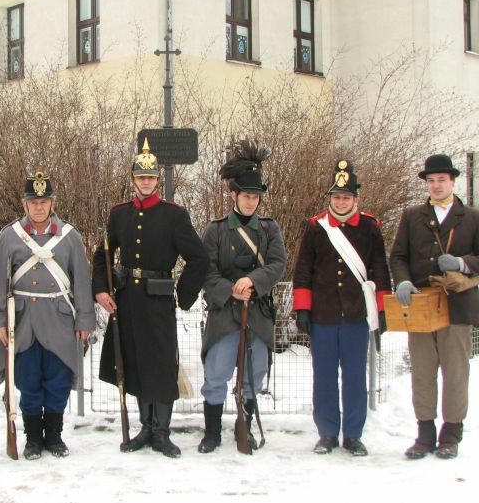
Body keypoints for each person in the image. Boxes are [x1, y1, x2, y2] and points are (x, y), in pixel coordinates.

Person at [92, 139, 209, 458]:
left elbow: (199, 258)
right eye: (141, 177)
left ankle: (161, 431)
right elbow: (103, 254)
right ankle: (145, 427)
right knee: (135, 363)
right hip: (128, 299)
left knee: (161, 364)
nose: (146, 182)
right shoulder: (120, 214)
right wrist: (101, 288)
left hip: (158, 300)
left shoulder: (174, 215)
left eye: (151, 177)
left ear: (157, 179)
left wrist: (183, 295)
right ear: (133, 179)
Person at [390, 154, 479, 460]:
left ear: (452, 181)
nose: (436, 185)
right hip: (422, 304)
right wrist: (403, 281)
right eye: (431, 180)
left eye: (441, 180)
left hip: (458, 304)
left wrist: (462, 263)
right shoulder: (412, 216)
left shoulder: (472, 217)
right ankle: (424, 434)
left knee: (455, 371)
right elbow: (398, 256)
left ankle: (451, 434)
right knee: (422, 370)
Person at [0, 171, 95, 460]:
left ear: (52, 203)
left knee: (58, 381)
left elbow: (81, 281)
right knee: (28, 381)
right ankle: (33, 438)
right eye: (33, 202)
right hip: (23, 321)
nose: (39, 207)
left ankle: (55, 436)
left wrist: (84, 320)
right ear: (24, 204)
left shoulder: (70, 236)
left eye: (44, 202)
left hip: (59, 319)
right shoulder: (9, 236)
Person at [292, 161, 391, 456]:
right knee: (323, 377)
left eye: (346, 197)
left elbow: (380, 271)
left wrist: (383, 310)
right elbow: (303, 270)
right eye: (336, 197)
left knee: (355, 378)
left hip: (355, 314)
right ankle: (327, 433)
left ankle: (353, 435)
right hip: (323, 314)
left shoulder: (370, 228)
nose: (340, 202)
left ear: (355, 199)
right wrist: (302, 309)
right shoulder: (316, 227)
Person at [197, 141, 286, 454]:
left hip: (258, 313)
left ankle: (244, 428)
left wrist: (252, 281)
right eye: (246, 195)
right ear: (233, 195)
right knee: (216, 373)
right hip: (225, 313)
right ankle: (212, 433)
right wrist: (230, 288)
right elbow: (206, 271)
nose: (251, 201)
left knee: (254, 374)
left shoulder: (269, 229)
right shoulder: (216, 230)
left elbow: (277, 264)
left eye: (255, 196)